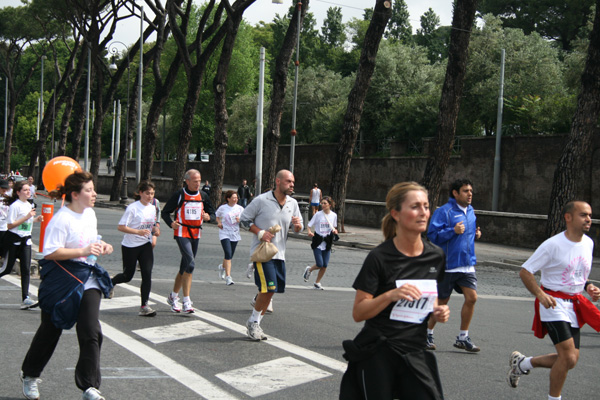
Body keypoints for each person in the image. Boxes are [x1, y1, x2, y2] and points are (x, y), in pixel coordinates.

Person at [339, 182, 449, 400]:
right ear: (395, 214)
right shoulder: (379, 257)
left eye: (426, 206)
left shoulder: (436, 255)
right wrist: (391, 295)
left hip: (414, 350)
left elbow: (430, 298)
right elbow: (359, 312)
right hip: (379, 351)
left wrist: (438, 311)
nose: (423, 213)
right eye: (415, 206)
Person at [20, 171, 113, 400]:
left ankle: (89, 386)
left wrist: (102, 246)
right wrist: (82, 251)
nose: (94, 194)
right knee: (50, 331)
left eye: (93, 189)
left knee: (91, 330)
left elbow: (91, 243)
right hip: (62, 280)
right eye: (89, 190)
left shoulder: (90, 214)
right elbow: (50, 251)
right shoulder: (62, 218)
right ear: (75, 194)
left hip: (87, 277)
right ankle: (30, 375)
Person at [507, 200, 600, 400]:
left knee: (571, 360)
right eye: (583, 215)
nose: (589, 219)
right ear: (568, 217)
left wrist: (588, 286)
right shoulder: (552, 245)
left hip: (574, 304)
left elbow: (577, 274)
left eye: (589, 215)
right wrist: (541, 295)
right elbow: (525, 271)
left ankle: (523, 364)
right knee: (566, 356)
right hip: (553, 302)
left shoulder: (589, 243)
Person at [240, 169, 303, 340]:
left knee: (272, 290)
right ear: (278, 181)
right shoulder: (261, 200)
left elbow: (298, 228)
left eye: (293, 182)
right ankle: (253, 323)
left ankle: (256, 320)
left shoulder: (293, 203)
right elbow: (244, 220)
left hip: (280, 254)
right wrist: (260, 233)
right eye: (289, 181)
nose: (292, 185)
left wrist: (297, 227)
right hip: (262, 253)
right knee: (269, 288)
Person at [426, 178, 482, 352]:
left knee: (472, 297)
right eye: (466, 191)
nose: (470, 194)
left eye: (471, 190)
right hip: (448, 265)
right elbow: (432, 235)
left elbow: (467, 234)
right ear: (455, 193)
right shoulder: (444, 211)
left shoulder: (471, 211)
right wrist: (453, 231)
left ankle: (462, 337)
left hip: (467, 264)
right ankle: (426, 333)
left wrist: (476, 234)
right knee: (442, 301)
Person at [161, 169, 215, 314]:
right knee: (190, 264)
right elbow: (165, 212)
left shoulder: (203, 195)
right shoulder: (179, 195)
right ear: (187, 181)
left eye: (199, 180)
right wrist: (171, 223)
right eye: (195, 181)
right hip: (182, 232)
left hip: (196, 233)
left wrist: (209, 217)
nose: (198, 183)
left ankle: (173, 296)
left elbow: (212, 213)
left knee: (184, 266)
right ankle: (186, 301)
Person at [111, 181, 160, 317]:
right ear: (140, 193)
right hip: (130, 246)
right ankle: (111, 282)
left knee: (147, 273)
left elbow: (152, 225)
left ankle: (144, 306)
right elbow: (121, 227)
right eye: (147, 193)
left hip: (145, 245)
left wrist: (155, 229)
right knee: (127, 276)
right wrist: (137, 232)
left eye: (152, 193)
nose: (150, 196)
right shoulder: (132, 208)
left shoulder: (152, 208)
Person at [0, 180, 43, 309]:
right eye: (25, 190)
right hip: (14, 240)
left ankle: (26, 298)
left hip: (26, 240)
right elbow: (10, 225)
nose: (28, 192)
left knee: (26, 269)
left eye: (28, 190)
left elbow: (27, 223)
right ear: (18, 192)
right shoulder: (15, 206)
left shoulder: (29, 205)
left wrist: (36, 219)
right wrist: (27, 217)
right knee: (7, 269)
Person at [303, 196, 338, 290]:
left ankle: (317, 282)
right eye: (321, 203)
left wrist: (335, 231)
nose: (322, 205)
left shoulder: (334, 215)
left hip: (327, 242)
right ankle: (309, 270)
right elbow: (309, 225)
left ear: (330, 205)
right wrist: (309, 232)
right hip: (317, 241)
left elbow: (333, 227)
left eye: (325, 203)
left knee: (325, 265)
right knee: (319, 263)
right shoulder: (318, 214)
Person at [216, 190, 244, 286]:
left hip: (235, 234)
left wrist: (240, 220)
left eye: (236, 198)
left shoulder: (240, 208)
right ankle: (228, 277)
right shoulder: (223, 208)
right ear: (228, 199)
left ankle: (222, 267)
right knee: (227, 253)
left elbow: (244, 219)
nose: (235, 199)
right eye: (233, 198)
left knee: (230, 255)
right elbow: (217, 216)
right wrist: (219, 223)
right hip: (224, 233)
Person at [0, 179, 10, 256]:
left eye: (6, 188)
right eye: (2, 188)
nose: (4, 190)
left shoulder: (8, 199)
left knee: (3, 249)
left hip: (4, 226)